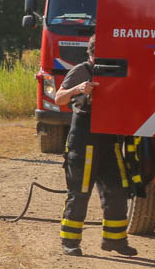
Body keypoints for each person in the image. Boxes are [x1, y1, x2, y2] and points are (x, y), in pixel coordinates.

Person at [50, 54, 139, 257]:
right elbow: (59, 97)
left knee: (117, 190)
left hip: (109, 141)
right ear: (92, 54)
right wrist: (79, 89)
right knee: (80, 192)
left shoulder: (119, 68)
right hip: (84, 141)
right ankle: (70, 241)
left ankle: (115, 240)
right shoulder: (81, 70)